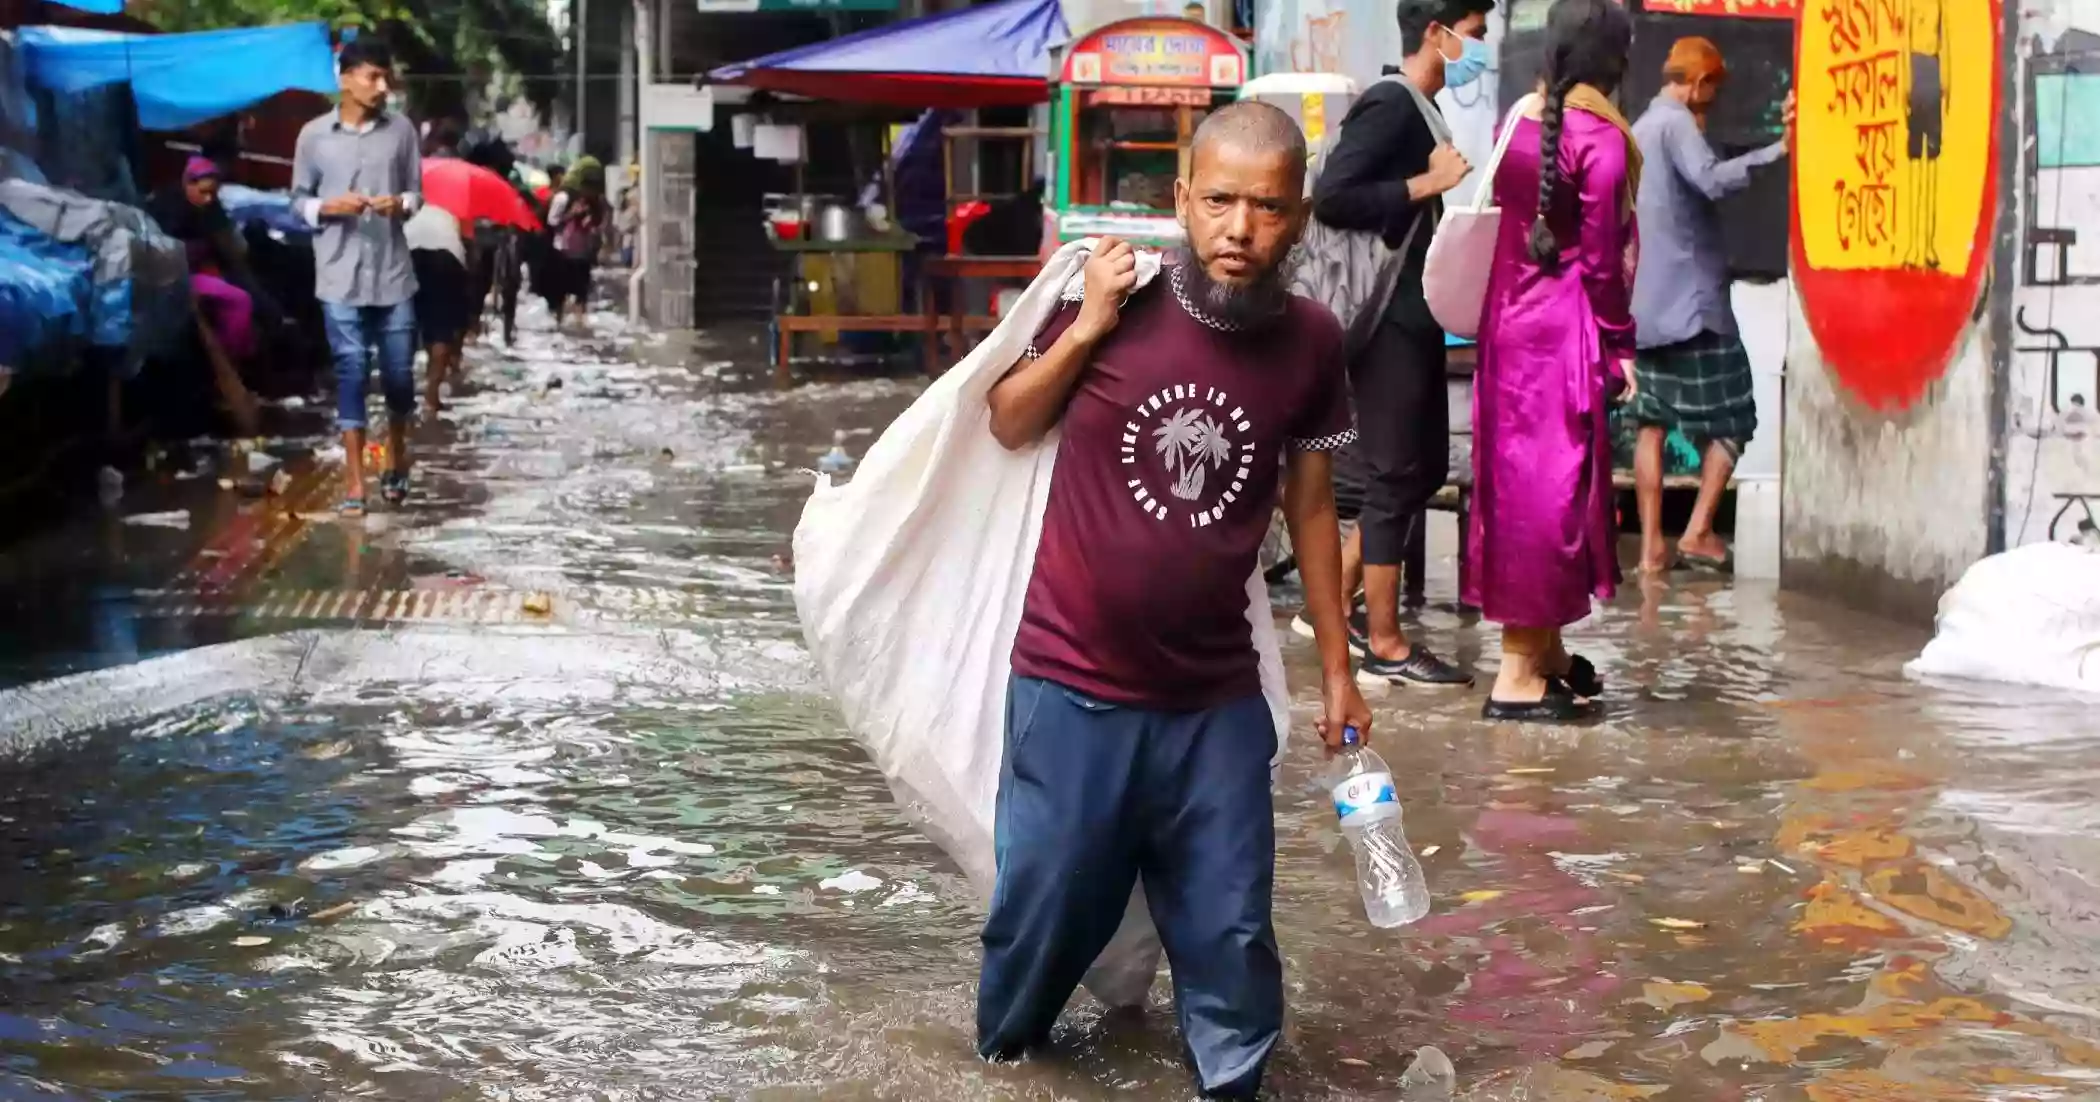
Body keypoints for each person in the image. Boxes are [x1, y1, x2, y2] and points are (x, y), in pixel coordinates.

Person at [977, 101, 1371, 1099]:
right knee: (1046, 908)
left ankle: (1230, 1085)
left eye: (1269, 208)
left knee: (1232, 927)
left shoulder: (1313, 340)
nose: (1241, 230)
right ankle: (1000, 1065)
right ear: (1182, 201)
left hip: (1213, 699)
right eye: (1222, 202)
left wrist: (1338, 670)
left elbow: (1314, 506)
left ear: (1302, 218)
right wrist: (1086, 332)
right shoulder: (1115, 297)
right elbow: (1008, 421)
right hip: (1071, 685)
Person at [1309, 0, 1493, 691]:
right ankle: (1383, 642)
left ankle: (1337, 608)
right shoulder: (1390, 103)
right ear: (1436, 34)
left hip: (1417, 318)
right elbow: (1332, 197)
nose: (1478, 48)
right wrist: (1429, 183)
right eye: (1473, 35)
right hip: (1385, 319)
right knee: (1394, 474)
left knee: (1422, 468)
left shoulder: (1420, 107)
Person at [1466, 0, 1639, 722]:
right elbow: (1600, 264)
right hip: (1565, 337)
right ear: (1614, 59)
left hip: (1507, 329)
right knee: (1552, 498)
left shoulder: (1519, 122)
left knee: (1519, 492)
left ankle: (1547, 654)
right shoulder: (1600, 141)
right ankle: (1517, 674)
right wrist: (1621, 341)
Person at [1627, 37, 1793, 573]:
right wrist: (1778, 151)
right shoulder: (1675, 123)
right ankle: (1698, 531)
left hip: (1645, 309)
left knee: (1649, 424)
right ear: (1698, 84)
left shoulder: (1638, 128)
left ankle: (1652, 546)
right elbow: (1712, 181)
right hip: (1694, 308)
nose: (1712, 104)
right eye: (1712, 93)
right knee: (1737, 416)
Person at [290, 36, 422, 517]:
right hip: (337, 275)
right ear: (345, 79)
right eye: (373, 76)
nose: (382, 86)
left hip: (393, 274)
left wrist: (399, 204)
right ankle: (354, 481)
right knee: (350, 370)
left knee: (400, 375)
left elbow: (416, 195)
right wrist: (327, 206)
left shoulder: (402, 131)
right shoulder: (313, 136)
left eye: (385, 77)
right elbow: (297, 201)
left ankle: (398, 450)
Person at [542, 155, 609, 328]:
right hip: (563, 252)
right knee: (561, 293)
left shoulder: (596, 203)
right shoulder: (564, 198)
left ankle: (579, 325)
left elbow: (600, 226)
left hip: (582, 254)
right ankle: (559, 323)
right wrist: (572, 214)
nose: (591, 192)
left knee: (581, 293)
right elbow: (552, 221)